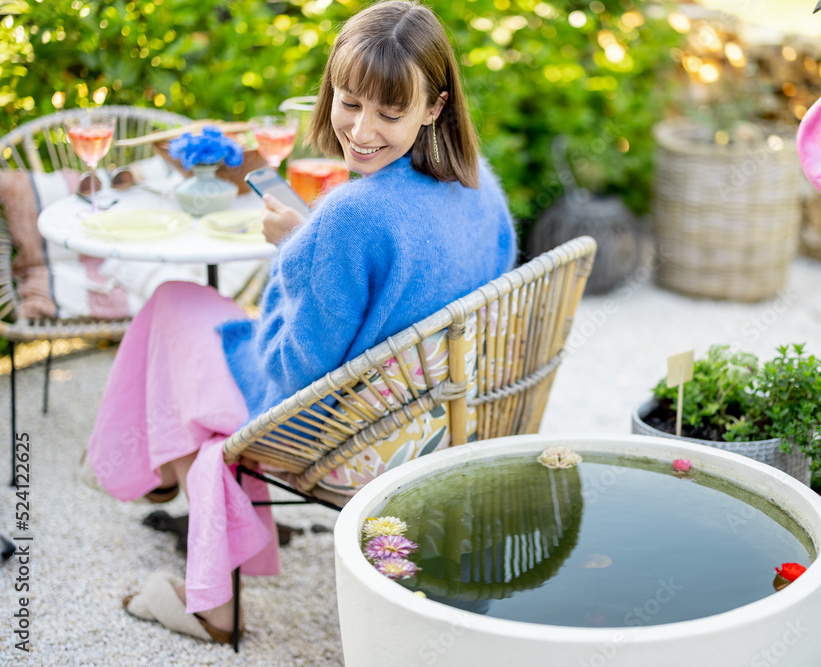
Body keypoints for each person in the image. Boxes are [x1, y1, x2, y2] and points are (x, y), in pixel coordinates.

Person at [87, 0, 516, 643]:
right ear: (330, 91)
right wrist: (316, 246)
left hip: (345, 435)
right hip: (440, 412)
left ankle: (178, 490)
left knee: (175, 304)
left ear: (435, 106)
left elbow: (291, 373)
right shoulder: (480, 181)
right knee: (181, 308)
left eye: (389, 112)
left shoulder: (351, 216)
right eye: (350, 102)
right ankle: (176, 478)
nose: (362, 130)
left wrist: (299, 249)